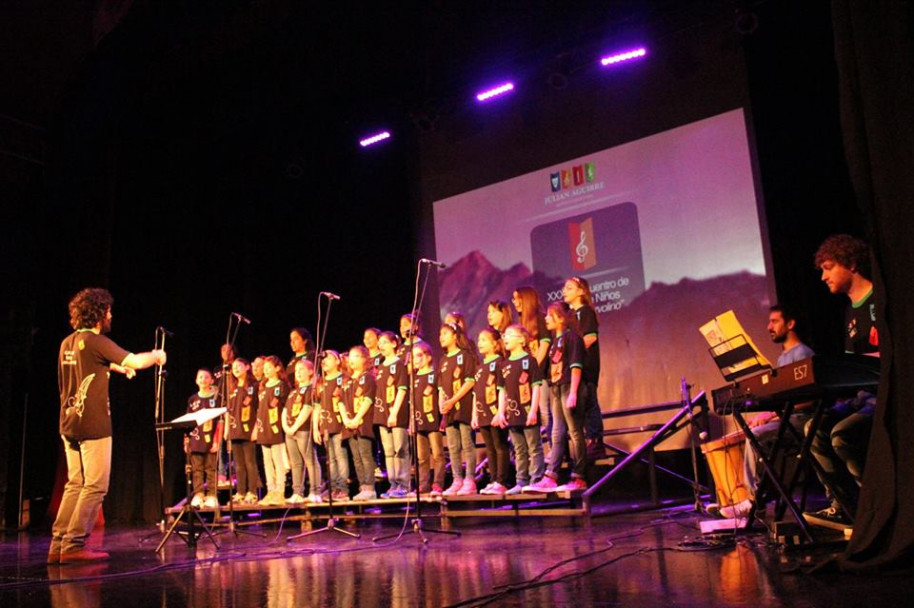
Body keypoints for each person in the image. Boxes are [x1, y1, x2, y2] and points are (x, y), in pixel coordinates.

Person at [50, 287, 167, 564]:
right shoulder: (97, 341)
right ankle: (75, 544)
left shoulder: (67, 342)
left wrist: (114, 368)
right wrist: (156, 355)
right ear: (100, 313)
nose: (111, 314)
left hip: (69, 423)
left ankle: (58, 544)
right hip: (93, 425)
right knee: (95, 486)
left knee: (75, 484)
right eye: (109, 310)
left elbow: (86, 366)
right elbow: (137, 361)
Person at [804, 234, 879, 527]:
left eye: (828, 267)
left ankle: (874, 508)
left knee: (843, 434)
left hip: (882, 395)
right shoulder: (849, 311)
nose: (823, 277)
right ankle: (845, 507)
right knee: (814, 428)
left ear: (850, 263)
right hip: (861, 396)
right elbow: (851, 367)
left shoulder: (880, 300)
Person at [718, 305, 816, 518]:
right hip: (788, 418)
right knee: (754, 431)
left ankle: (753, 500)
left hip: (803, 419)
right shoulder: (783, 358)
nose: (768, 326)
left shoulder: (803, 354)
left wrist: (771, 415)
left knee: (756, 435)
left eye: (774, 321)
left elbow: (809, 399)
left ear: (790, 324)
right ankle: (760, 495)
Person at [525, 302, 588, 492]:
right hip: (557, 388)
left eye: (549, 316)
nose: (545, 319)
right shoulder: (554, 342)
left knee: (575, 432)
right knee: (556, 432)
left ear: (560, 318)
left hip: (569, 386)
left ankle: (579, 477)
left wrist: (574, 392)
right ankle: (551, 476)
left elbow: (576, 366)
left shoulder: (573, 338)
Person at [497, 324, 545, 495]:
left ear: (522, 339)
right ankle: (521, 481)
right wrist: (501, 412)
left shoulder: (529, 361)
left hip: (527, 411)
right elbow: (502, 391)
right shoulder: (503, 364)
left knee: (534, 446)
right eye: (505, 335)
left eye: (510, 334)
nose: (506, 338)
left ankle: (536, 479)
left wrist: (533, 411)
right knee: (519, 449)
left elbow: (536, 386)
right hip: (512, 414)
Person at [562, 276, 604, 460]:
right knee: (583, 405)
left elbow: (590, 337)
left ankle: (596, 441)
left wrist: (574, 353)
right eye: (564, 288)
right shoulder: (570, 316)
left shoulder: (585, 312)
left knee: (591, 402)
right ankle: (588, 441)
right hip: (576, 368)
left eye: (569, 288)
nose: (565, 291)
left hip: (587, 367)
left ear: (581, 291)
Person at [438, 322, 478, 496]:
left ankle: (470, 480)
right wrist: (442, 404)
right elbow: (440, 386)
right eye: (440, 335)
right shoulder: (443, 360)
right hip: (449, 409)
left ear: (455, 336)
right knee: (453, 446)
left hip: (463, 406)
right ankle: (457, 480)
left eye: (445, 334)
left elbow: (470, 381)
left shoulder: (465, 356)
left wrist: (453, 400)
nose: (441, 338)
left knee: (467, 444)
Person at [472, 328, 511, 495]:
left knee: (500, 446)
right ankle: (493, 479)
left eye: (484, 340)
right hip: (483, 413)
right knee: (490, 448)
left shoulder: (500, 363)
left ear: (495, 344)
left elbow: (504, 388)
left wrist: (501, 411)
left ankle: (502, 481)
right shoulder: (480, 367)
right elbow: (475, 393)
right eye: (479, 340)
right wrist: (474, 414)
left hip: (496, 411)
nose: (480, 343)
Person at [375, 331, 411, 499]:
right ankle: (393, 484)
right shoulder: (381, 366)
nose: (380, 345)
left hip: (396, 413)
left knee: (400, 449)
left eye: (384, 342)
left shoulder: (399, 365)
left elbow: (402, 390)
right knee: (388, 451)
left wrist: (394, 412)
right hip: (383, 413)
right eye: (379, 343)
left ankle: (404, 485)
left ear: (394, 344)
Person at [342, 346, 379, 501]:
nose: (351, 359)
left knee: (365, 455)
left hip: (363, 422)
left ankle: (370, 487)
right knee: (356, 457)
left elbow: (368, 399)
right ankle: (362, 486)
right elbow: (341, 402)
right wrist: (346, 420)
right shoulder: (347, 381)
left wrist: (357, 418)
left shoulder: (368, 377)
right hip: (350, 424)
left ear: (364, 359)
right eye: (350, 356)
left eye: (356, 356)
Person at [282, 359, 321, 504]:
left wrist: (294, 427)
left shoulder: (311, 389)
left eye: (302, 370)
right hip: (290, 432)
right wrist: (286, 427)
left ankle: (314, 491)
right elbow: (285, 410)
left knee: (310, 461)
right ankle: (297, 492)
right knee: (296, 463)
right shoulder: (293, 392)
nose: (298, 373)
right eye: (297, 370)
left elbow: (307, 408)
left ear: (310, 372)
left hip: (303, 430)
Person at [253, 355, 289, 506]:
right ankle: (271, 490)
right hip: (263, 428)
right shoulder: (262, 387)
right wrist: (256, 428)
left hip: (276, 429)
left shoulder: (282, 386)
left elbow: (286, 408)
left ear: (277, 368)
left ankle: (280, 491)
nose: (266, 371)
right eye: (265, 368)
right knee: (267, 462)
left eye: (269, 368)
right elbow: (259, 410)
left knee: (278, 461)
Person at [185, 368, 223, 510]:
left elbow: (220, 421)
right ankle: (199, 494)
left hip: (211, 439)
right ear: (196, 380)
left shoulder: (217, 399)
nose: (203, 380)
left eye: (206, 377)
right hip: (196, 439)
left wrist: (217, 440)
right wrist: (186, 440)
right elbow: (188, 421)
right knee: (197, 469)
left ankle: (212, 495)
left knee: (211, 468)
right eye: (200, 377)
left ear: (212, 380)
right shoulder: (192, 400)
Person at [226, 357, 262, 505]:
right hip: (235, 430)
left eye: (239, 366)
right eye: (233, 367)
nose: (236, 369)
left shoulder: (253, 385)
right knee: (238, 464)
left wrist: (256, 429)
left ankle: (252, 492)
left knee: (250, 462)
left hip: (249, 429)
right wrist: (227, 429)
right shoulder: (232, 388)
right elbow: (228, 411)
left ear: (247, 367)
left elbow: (259, 409)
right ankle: (240, 491)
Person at [315, 351, 350, 501]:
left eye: (328, 357)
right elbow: (317, 406)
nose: (324, 360)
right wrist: (316, 428)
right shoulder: (320, 382)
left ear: (337, 361)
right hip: (325, 426)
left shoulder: (343, 379)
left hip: (339, 424)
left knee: (340, 456)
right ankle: (334, 488)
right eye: (323, 358)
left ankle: (342, 488)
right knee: (331, 459)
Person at [412, 342, 446, 495]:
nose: (415, 360)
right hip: (419, 422)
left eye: (418, 356)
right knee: (421, 457)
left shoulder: (435, 375)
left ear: (428, 356)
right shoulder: (414, 378)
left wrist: (443, 417)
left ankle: (438, 484)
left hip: (433, 421)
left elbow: (441, 396)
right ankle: (423, 484)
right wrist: (411, 422)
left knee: (438, 454)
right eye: (413, 356)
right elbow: (412, 402)